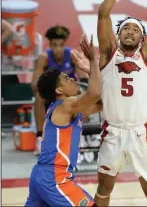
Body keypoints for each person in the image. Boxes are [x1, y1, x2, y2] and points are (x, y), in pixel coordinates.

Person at [72, 0, 147, 207]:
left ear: (141, 38)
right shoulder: (108, 54)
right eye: (125, 29)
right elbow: (103, 12)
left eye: (135, 29)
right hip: (112, 130)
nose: (129, 31)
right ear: (118, 35)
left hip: (140, 132)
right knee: (104, 188)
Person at [25, 36, 102, 207]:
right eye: (67, 79)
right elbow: (95, 93)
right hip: (54, 177)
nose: (73, 79)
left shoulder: (65, 108)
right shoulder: (66, 105)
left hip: (42, 175)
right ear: (59, 90)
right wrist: (93, 62)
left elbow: (100, 103)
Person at [32, 25, 88, 155]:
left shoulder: (73, 55)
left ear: (65, 45)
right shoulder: (44, 58)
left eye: (61, 45)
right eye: (55, 45)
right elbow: (34, 84)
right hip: (52, 93)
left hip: (70, 94)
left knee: (82, 93)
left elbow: (84, 79)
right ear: (50, 46)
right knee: (38, 96)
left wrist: (77, 88)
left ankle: (80, 135)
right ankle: (40, 137)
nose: (58, 49)